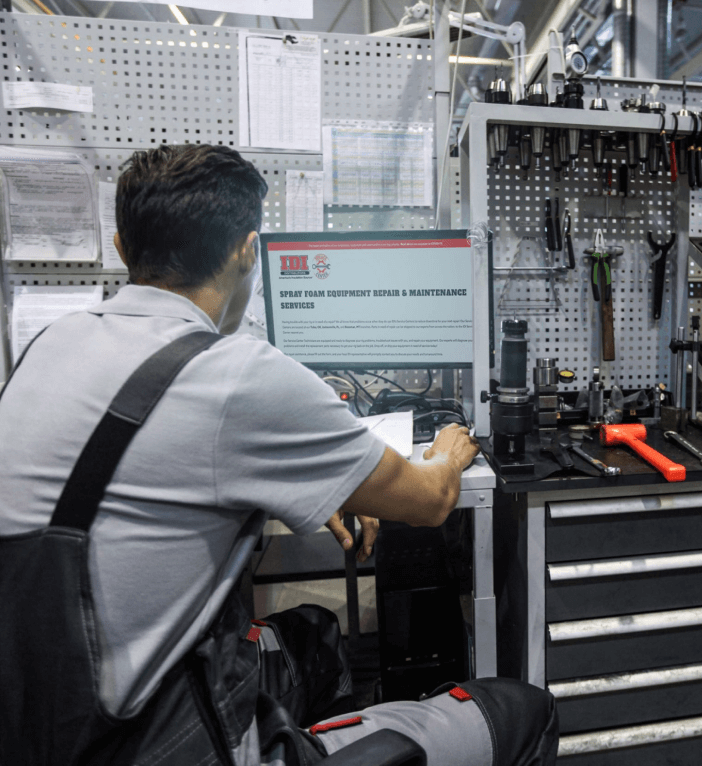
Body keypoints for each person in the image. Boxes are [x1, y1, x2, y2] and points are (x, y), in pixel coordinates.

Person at [0, 144, 558, 766]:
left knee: (315, 636)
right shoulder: (234, 373)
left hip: (50, 729)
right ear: (246, 251)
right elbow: (429, 503)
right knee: (523, 710)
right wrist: (451, 452)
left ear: (123, 248)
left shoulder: (49, 348)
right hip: (171, 744)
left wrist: (319, 483)